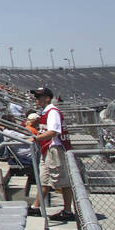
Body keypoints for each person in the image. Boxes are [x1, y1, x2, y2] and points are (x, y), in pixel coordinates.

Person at [31, 86, 74, 221]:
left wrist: (36, 138)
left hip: (54, 149)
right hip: (46, 149)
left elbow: (53, 132)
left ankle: (67, 211)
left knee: (62, 181)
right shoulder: (45, 112)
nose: (36, 99)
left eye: (39, 97)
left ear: (47, 98)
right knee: (44, 180)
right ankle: (35, 208)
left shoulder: (53, 112)